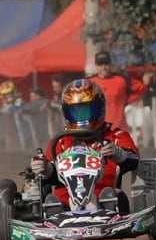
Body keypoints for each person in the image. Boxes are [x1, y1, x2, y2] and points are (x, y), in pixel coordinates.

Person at [29, 79, 139, 211]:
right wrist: (45, 168)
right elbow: (48, 177)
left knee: (115, 196)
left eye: (87, 111)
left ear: (100, 108)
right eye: (76, 112)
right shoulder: (61, 141)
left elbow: (135, 160)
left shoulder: (116, 137)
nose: (81, 118)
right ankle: (56, 211)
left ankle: (106, 208)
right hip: (66, 206)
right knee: (53, 201)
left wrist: (119, 154)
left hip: (105, 202)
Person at [88, 50, 148, 133]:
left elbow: (142, 89)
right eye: (100, 64)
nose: (104, 67)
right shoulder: (89, 83)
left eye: (106, 64)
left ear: (110, 65)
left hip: (118, 129)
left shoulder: (121, 80)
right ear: (96, 66)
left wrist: (125, 101)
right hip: (97, 130)